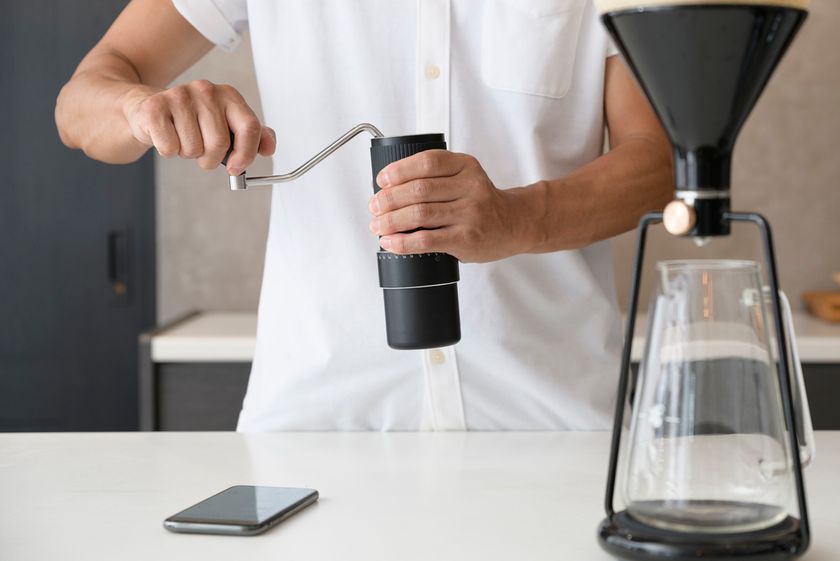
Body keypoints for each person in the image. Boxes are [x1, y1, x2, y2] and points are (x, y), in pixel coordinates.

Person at [56, 0, 672, 431]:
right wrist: (142, 110)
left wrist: (520, 218)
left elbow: (661, 160)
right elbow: (81, 102)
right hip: (316, 428)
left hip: (552, 421)